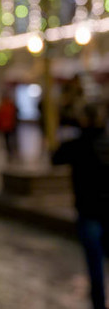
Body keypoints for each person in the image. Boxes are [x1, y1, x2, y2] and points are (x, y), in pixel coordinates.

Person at [52, 104, 109, 309]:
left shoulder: (77, 144)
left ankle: (99, 304)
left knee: (95, 266)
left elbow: (55, 157)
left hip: (89, 211)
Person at [0, 91, 18, 160]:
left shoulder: (5, 106)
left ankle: (11, 150)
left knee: (9, 139)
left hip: (8, 126)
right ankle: (11, 150)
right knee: (8, 139)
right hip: (7, 126)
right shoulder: (6, 106)